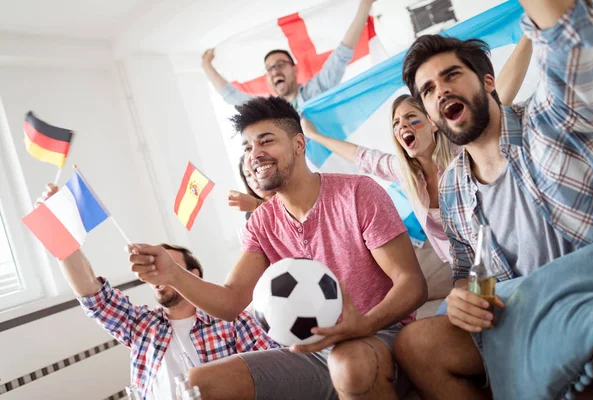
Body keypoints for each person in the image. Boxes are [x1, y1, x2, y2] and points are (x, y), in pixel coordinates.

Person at [128, 96, 427, 400]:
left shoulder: (359, 192)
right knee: (200, 382)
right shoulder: (261, 222)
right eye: (247, 148)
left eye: (265, 141)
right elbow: (231, 302)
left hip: (376, 335)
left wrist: (362, 325)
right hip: (308, 354)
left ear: (299, 144)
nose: (254, 154)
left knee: (348, 363)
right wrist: (174, 275)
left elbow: (412, 285)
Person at [394, 0, 593, 398]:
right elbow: (466, 269)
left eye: (452, 75)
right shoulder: (452, 186)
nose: (442, 91)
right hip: (526, 314)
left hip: (590, 292)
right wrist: (461, 297)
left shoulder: (552, 119)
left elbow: (572, 43)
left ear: (488, 82)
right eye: (429, 90)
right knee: (415, 344)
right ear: (433, 117)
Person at [300, 35, 532, 264]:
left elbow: (497, 99)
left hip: (500, 250)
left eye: (411, 117)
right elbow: (360, 156)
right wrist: (314, 135)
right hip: (460, 265)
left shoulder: (462, 146)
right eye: (396, 124)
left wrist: (531, 31)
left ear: (432, 121)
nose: (403, 127)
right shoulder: (403, 171)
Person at [37, 185, 279, 400]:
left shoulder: (234, 321)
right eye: (151, 270)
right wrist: (59, 231)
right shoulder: (141, 325)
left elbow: (274, 374)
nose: (157, 276)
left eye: (166, 267)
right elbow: (91, 293)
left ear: (192, 274)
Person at [202, 0, 376, 110]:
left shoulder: (316, 91)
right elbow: (233, 96)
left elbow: (342, 54)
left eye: (280, 64)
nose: (275, 71)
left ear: (294, 70)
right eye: (269, 69)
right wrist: (207, 66)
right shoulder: (268, 110)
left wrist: (365, 6)